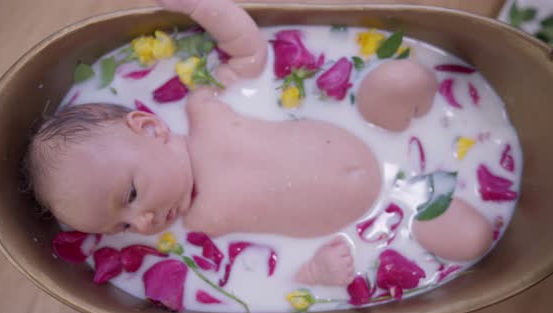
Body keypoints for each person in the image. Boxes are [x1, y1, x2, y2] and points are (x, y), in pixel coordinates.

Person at [24, 0, 492, 286]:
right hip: (386, 209)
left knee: (400, 78)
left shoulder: (204, 108)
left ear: (150, 128)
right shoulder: (198, 228)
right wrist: (315, 274)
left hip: (377, 129)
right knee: (472, 240)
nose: (142, 220)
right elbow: (273, 260)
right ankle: (443, 214)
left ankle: (423, 106)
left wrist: (203, 8)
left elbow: (250, 50)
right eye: (120, 227)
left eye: (129, 195)